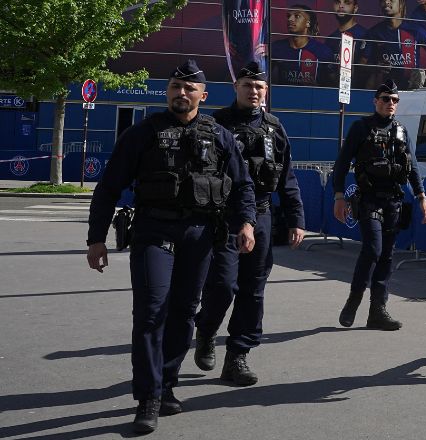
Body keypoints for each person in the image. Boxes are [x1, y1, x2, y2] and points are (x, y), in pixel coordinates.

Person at [86, 60, 257, 433]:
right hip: (153, 232)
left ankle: (167, 386)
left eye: (189, 88)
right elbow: (109, 187)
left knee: (182, 312)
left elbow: (243, 185)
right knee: (150, 312)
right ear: (168, 92)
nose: (182, 93)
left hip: (200, 235)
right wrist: (96, 238)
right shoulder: (143, 133)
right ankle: (147, 397)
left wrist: (246, 222)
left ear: (203, 95)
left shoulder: (219, 135)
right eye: (176, 87)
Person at [193, 62, 305, 386]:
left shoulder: (275, 128)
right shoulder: (216, 124)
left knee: (253, 289)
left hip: (262, 214)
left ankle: (237, 356)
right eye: (247, 85)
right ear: (236, 88)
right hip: (223, 218)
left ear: (265, 91)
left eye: (259, 86)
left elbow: (287, 177)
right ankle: (206, 329)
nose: (253, 91)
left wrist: (296, 219)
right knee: (223, 285)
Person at [332, 79, 426, 330]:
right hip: (368, 199)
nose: (390, 103)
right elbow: (342, 163)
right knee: (373, 249)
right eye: (385, 99)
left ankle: (378, 310)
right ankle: (353, 302)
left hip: (394, 201)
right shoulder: (360, 128)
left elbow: (413, 167)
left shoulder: (402, 131)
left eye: (395, 100)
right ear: (375, 101)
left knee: (387, 255)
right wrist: (338, 196)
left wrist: (421, 197)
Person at [361, 0, 426, 90]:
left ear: (401, 4)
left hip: (412, 93)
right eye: (383, 0)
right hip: (388, 92)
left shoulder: (415, 29)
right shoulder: (374, 32)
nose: (387, 2)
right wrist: (376, 67)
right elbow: (361, 64)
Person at [271, 4, 334, 86]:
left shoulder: (323, 51)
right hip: (284, 97)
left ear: (308, 23)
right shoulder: (276, 47)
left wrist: (317, 87)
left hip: (312, 97)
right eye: (288, 16)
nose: (290, 19)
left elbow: (333, 84)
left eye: (297, 16)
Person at [326, 0, 368, 88]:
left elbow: (368, 72)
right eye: (338, 2)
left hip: (358, 93)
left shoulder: (365, 35)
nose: (341, 6)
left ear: (355, 8)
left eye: (347, 3)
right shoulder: (330, 39)